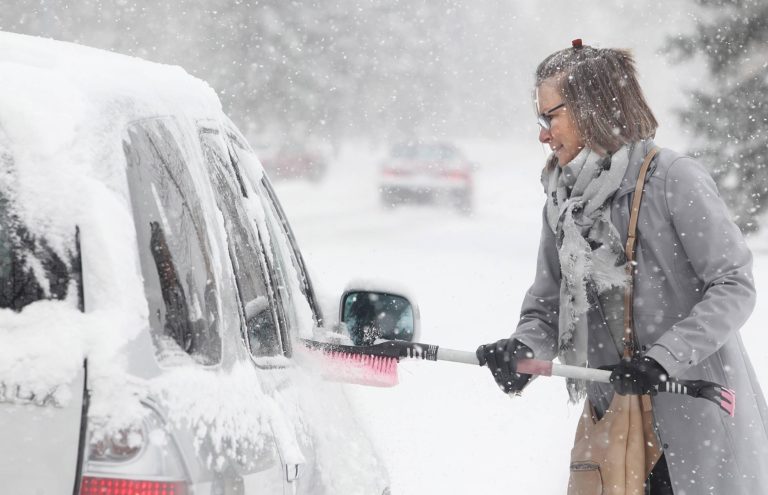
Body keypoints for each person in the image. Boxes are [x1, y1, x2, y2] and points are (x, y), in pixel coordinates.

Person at [476, 40, 768, 493]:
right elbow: (548, 305)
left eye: (549, 116)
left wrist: (661, 359)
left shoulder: (672, 179)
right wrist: (521, 351)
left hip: (696, 423)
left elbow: (733, 285)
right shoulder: (564, 202)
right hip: (618, 435)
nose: (543, 134)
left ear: (591, 107)